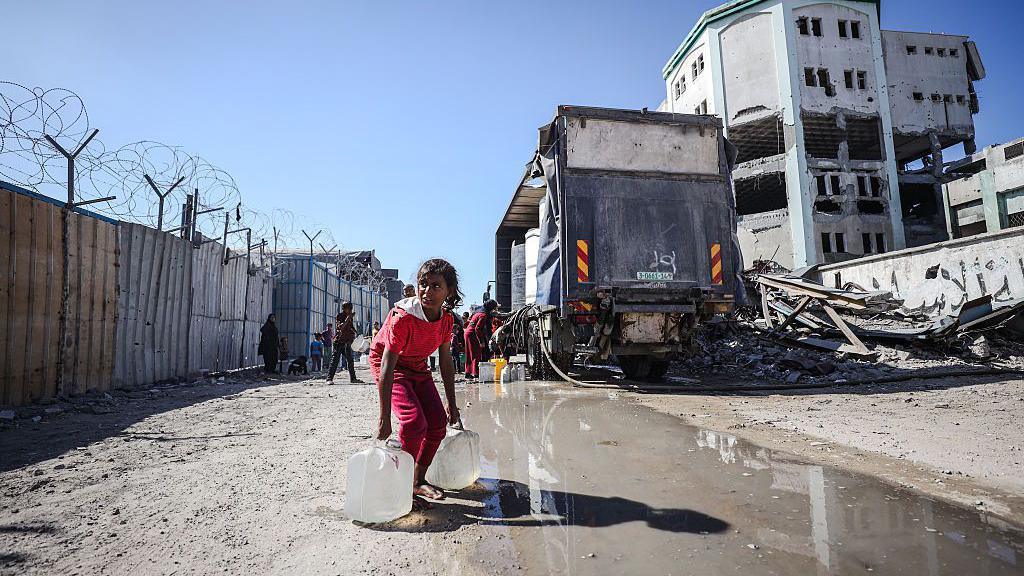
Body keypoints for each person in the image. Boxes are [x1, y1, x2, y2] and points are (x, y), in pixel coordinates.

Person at [372, 258, 462, 508]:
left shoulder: (446, 320)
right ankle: (399, 487)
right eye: (423, 284)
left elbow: (445, 363)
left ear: (449, 291)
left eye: (436, 286)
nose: (427, 291)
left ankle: (416, 480)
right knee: (413, 423)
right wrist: (385, 417)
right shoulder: (403, 318)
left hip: (417, 366)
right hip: (391, 366)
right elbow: (388, 365)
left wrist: (451, 405)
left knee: (436, 424)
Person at [464, 300, 502, 379]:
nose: (493, 310)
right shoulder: (483, 315)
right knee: (476, 353)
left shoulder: (478, 312)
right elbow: (478, 328)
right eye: (493, 308)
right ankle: (475, 373)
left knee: (469, 354)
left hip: (467, 333)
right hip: (473, 335)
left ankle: (468, 372)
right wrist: (481, 341)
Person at [327, 303, 363, 384]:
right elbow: (341, 327)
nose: (350, 310)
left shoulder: (349, 317)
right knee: (335, 360)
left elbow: (350, 326)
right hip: (339, 341)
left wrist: (357, 333)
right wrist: (348, 318)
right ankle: (329, 379)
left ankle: (353, 379)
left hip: (347, 341)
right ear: (344, 308)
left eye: (351, 308)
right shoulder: (340, 316)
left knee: (350, 360)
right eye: (349, 308)